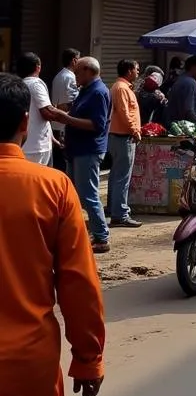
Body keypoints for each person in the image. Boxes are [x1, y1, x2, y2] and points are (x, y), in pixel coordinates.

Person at [0, 72, 105, 396]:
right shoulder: (53, 187)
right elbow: (79, 284)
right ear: (25, 122)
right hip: (28, 359)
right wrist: (88, 357)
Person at [48, 58, 111, 253]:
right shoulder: (86, 90)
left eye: (77, 73)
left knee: (89, 195)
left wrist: (66, 118)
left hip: (88, 150)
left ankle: (101, 237)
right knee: (77, 195)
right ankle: (90, 230)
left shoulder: (99, 92)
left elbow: (96, 125)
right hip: (77, 149)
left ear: (87, 71)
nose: (75, 76)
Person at [106, 59, 143, 230]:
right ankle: (120, 214)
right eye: (136, 69)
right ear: (129, 71)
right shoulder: (121, 88)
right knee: (122, 177)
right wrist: (135, 131)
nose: (138, 72)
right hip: (123, 137)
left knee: (117, 175)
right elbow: (123, 112)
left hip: (120, 136)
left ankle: (115, 209)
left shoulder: (122, 87)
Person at [14, 54, 61, 167]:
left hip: (26, 145)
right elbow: (47, 112)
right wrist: (71, 118)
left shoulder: (17, 85)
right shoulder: (36, 83)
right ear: (37, 67)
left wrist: (52, 137)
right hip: (37, 148)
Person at [50, 48, 79, 172]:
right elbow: (67, 104)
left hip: (57, 124)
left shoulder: (60, 75)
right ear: (74, 60)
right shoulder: (69, 77)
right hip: (63, 126)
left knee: (59, 161)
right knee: (63, 163)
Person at [166, 54, 196, 126]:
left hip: (177, 124)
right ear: (194, 67)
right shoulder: (189, 83)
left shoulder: (181, 79)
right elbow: (188, 109)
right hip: (185, 128)